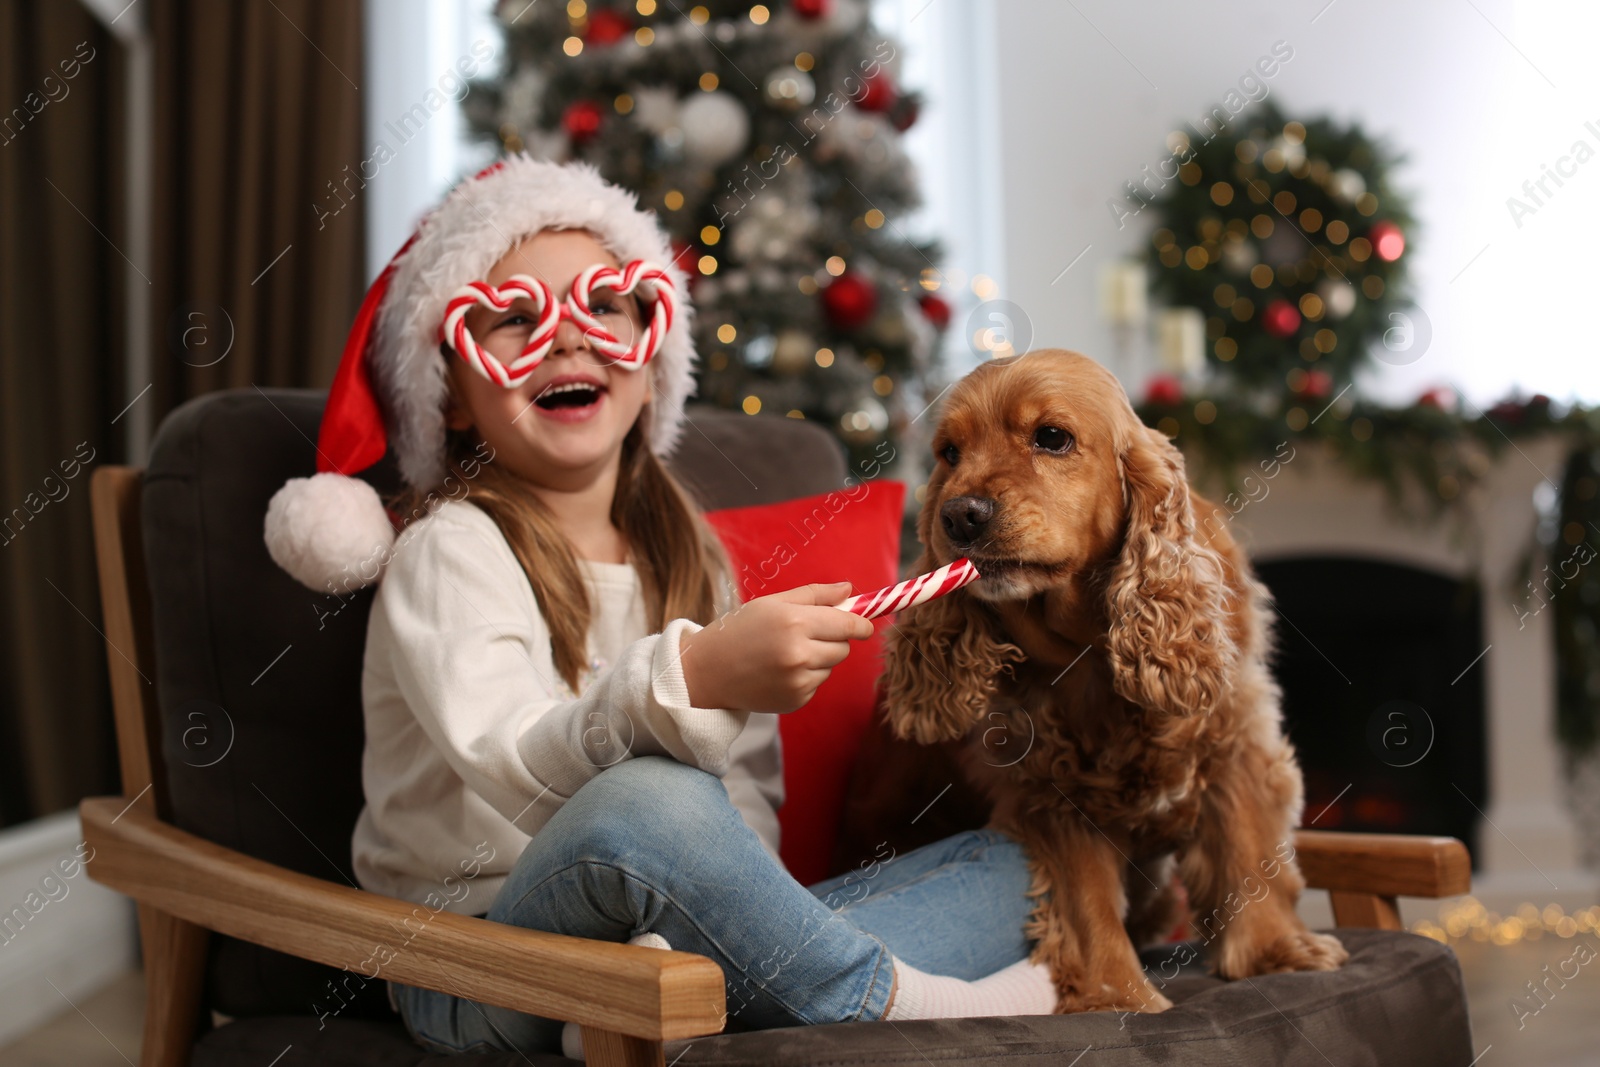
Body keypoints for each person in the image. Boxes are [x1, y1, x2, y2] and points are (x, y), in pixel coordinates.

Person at [262, 157, 1051, 1058]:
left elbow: (744, 803)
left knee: (1021, 863)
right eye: (515, 318)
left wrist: (728, 924)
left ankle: (673, 1000)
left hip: (664, 938)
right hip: (482, 965)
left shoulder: (692, 557)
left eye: (605, 304)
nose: (568, 338)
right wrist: (696, 676)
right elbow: (520, 770)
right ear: (454, 400)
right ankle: (889, 1000)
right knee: (646, 798)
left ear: (652, 360)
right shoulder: (447, 552)